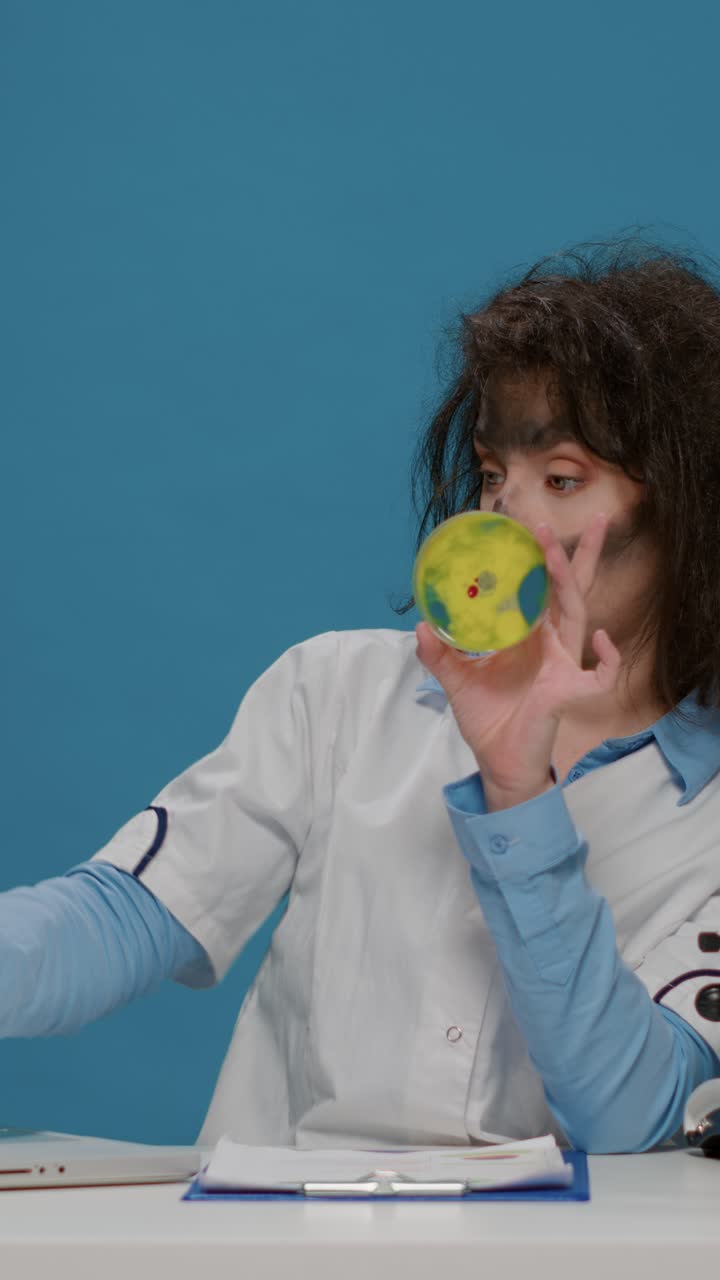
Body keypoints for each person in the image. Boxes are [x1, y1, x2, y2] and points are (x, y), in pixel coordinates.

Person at [3, 235, 720, 1155]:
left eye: (564, 479)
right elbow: (125, 919)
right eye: (495, 475)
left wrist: (518, 788)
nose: (505, 516)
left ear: (691, 509)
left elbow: (631, 1111)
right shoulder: (336, 690)